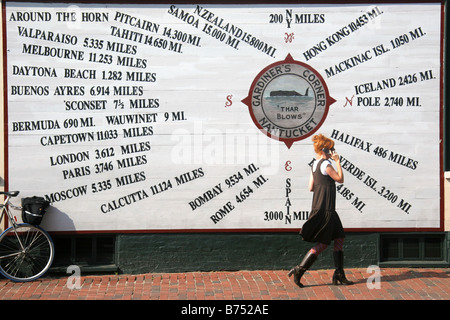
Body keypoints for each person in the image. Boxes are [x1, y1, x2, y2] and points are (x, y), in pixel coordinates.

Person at [288, 134, 353, 287]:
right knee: (323, 244)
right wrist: (337, 161)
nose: (333, 151)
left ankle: (339, 274)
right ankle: (299, 269)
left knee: (339, 238)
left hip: (322, 207)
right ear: (325, 150)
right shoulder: (326, 165)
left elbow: (311, 187)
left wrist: (322, 186)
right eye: (331, 149)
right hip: (326, 209)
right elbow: (340, 179)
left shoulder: (315, 165)